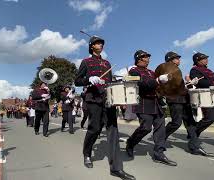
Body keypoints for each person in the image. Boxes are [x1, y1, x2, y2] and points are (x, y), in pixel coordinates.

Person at [75, 36, 135, 180]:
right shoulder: (86, 62)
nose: (100, 45)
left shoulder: (107, 63)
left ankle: (116, 168)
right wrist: (89, 79)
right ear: (91, 46)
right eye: (97, 43)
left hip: (108, 100)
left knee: (113, 131)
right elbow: (77, 81)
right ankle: (87, 153)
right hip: (93, 99)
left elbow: (110, 81)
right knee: (94, 129)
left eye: (101, 43)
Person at [155, 51, 213, 157]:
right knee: (176, 123)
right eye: (176, 58)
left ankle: (194, 147)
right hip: (174, 100)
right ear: (170, 60)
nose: (179, 60)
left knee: (190, 123)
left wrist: (190, 83)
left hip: (184, 99)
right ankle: (160, 138)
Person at [126, 50, 177, 166]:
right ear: (139, 59)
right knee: (146, 127)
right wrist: (158, 80)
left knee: (160, 127)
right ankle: (131, 143)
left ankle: (159, 153)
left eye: (148, 57)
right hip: (143, 102)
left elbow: (158, 85)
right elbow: (143, 85)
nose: (148, 59)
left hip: (155, 102)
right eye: (146, 57)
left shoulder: (151, 72)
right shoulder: (133, 72)